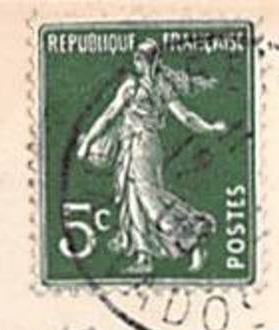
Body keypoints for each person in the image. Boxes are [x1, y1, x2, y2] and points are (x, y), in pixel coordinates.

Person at [74, 39, 226, 275]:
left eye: (141, 59)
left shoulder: (135, 87)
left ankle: (193, 240)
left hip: (140, 146)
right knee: (134, 198)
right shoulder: (159, 86)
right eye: (136, 58)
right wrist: (210, 128)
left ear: (150, 61)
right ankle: (144, 256)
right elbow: (186, 117)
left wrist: (88, 144)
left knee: (150, 201)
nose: (137, 62)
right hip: (141, 146)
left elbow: (108, 116)